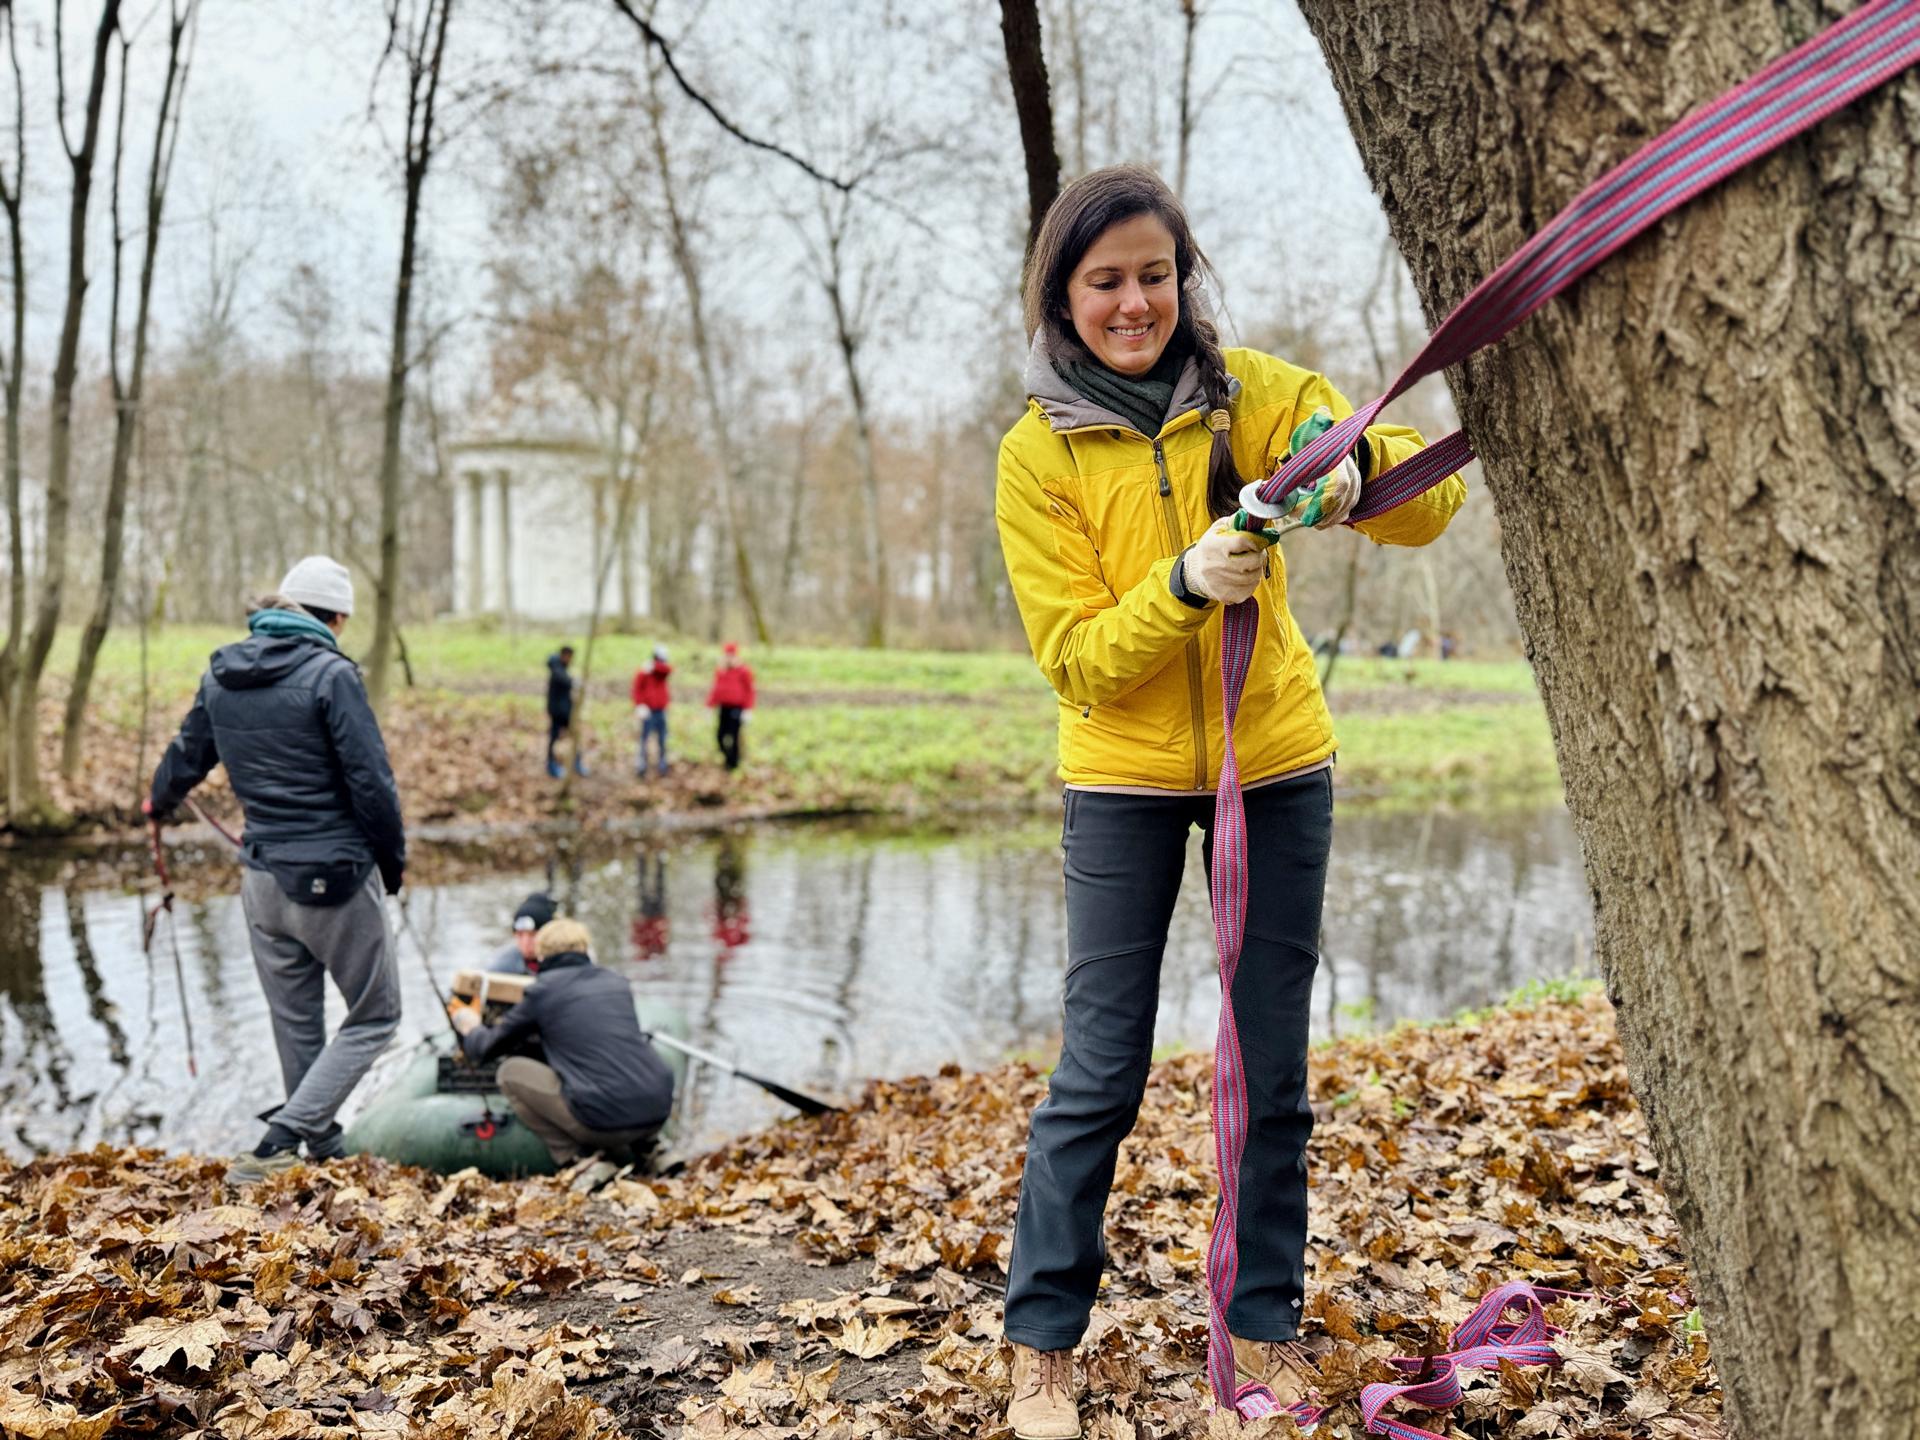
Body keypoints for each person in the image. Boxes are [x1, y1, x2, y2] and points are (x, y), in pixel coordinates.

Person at [993, 166, 1465, 1438]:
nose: (1135, 302)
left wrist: (1353, 475)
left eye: (1155, 274)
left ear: (1182, 276)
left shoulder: (1253, 394)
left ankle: (1262, 1329)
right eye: (1106, 282)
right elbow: (1079, 658)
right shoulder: (1037, 456)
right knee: (1100, 1069)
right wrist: (1189, 584)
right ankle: (1040, 1346)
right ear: (1063, 295)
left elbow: (1435, 492)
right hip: (1121, 783)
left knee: (1270, 1065)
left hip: (1276, 762)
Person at [146, 555, 407, 1185]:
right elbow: (371, 783)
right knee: (376, 1015)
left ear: (279, 609)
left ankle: (323, 1147)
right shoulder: (332, 674)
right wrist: (392, 865)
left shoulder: (222, 672)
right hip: (336, 881)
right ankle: (281, 1140)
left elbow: (186, 755)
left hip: (261, 882)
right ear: (337, 618)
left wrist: (157, 802)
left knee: (297, 1026)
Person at [447, 917, 675, 1170]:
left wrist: (470, 1026)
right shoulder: (616, 982)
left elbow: (485, 1048)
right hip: (657, 1114)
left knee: (509, 1072)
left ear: (542, 954)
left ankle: (577, 1161)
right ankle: (651, 1147)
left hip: (600, 1125)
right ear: (584, 949)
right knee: (629, 1058)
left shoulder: (542, 992)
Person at [706, 642, 755, 771]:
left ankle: (733, 763)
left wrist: (748, 709)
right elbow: (716, 689)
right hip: (724, 707)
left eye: (731, 655)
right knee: (721, 735)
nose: (729, 658)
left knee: (734, 735)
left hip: (736, 708)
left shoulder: (743, 671)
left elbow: (749, 690)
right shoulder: (721, 670)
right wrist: (709, 705)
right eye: (727, 655)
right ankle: (727, 756)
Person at [487, 891, 557, 975]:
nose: (525, 943)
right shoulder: (503, 965)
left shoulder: (563, 962)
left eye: (533, 935)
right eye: (520, 935)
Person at [632, 644, 673, 777]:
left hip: (660, 710)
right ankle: (641, 765)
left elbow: (667, 670)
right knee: (644, 739)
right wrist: (639, 705)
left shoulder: (661, 671)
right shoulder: (644, 672)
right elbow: (637, 689)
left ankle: (662, 764)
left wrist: (654, 666)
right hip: (648, 711)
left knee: (662, 739)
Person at [545, 645, 583, 778]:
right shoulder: (556, 667)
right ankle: (551, 765)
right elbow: (562, 679)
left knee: (574, 736)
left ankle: (576, 762)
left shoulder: (562, 667)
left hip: (565, 710)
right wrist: (573, 681)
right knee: (555, 737)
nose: (570, 660)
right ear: (564, 656)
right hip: (557, 711)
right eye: (569, 657)